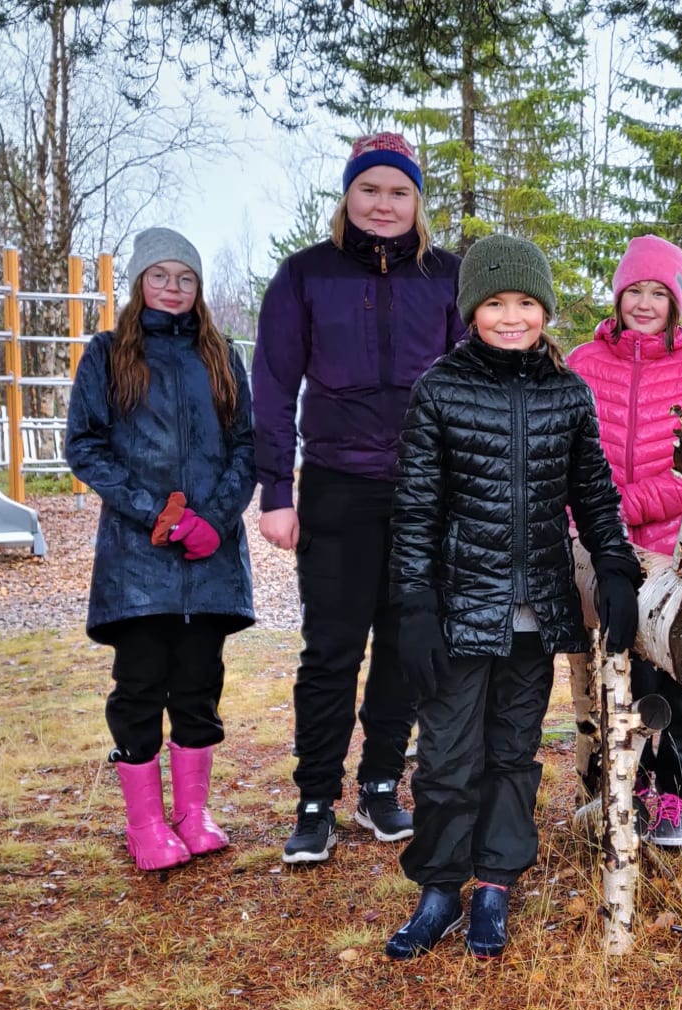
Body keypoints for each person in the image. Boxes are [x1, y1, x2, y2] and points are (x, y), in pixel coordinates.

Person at [383, 234, 643, 960]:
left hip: (537, 610)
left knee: (513, 752)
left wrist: (615, 565)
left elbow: (594, 494)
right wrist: (414, 603)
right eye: (495, 303)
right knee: (447, 758)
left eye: (525, 303)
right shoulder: (440, 389)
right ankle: (440, 889)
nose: (511, 317)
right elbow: (416, 510)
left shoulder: (568, 394)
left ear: (544, 311)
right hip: (458, 611)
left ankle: (495, 883)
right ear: (471, 309)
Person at [253, 133, 465, 864]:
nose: (383, 204)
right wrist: (276, 492)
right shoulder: (305, 275)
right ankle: (315, 799)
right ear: (348, 195)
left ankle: (380, 785)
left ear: (417, 201)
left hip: (424, 490)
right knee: (332, 649)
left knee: (406, 644)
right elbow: (274, 386)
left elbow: (472, 382)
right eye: (369, 189)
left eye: (399, 192)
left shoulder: (447, 277)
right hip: (336, 487)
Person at [67, 227, 256, 872]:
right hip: (137, 560)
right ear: (139, 282)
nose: (173, 288)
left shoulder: (222, 357)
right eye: (160, 276)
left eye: (185, 278)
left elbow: (246, 446)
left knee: (200, 683)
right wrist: (158, 514)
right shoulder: (107, 355)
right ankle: (145, 823)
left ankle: (192, 813)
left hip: (210, 558)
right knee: (141, 684)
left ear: (198, 288)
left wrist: (215, 519)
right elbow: (85, 445)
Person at [566, 235, 682, 847]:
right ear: (618, 295)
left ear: (676, 303)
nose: (645, 303)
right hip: (595, 546)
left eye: (659, 293)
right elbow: (562, 451)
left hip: (674, 546)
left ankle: (680, 789)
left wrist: (621, 505)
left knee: (680, 669)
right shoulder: (583, 363)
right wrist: (591, 517)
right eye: (635, 290)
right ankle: (620, 784)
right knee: (610, 670)